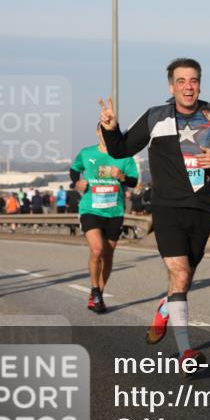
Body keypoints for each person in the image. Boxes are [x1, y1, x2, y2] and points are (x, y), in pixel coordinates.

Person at [100, 57, 210, 372]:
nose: (188, 87)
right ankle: (186, 353)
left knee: (185, 278)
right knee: (179, 274)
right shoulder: (156, 118)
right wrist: (110, 129)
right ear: (171, 86)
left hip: (202, 209)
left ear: (199, 84)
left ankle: (166, 307)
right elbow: (120, 150)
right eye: (181, 81)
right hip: (166, 207)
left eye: (193, 80)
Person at [71, 124, 140, 313]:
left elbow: (134, 181)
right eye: (103, 132)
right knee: (97, 249)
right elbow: (74, 168)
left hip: (114, 212)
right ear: (97, 132)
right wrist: (76, 182)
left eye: (110, 134)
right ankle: (94, 289)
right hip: (90, 209)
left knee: (108, 255)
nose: (106, 136)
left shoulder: (124, 156)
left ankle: (99, 294)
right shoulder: (86, 153)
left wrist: (122, 176)